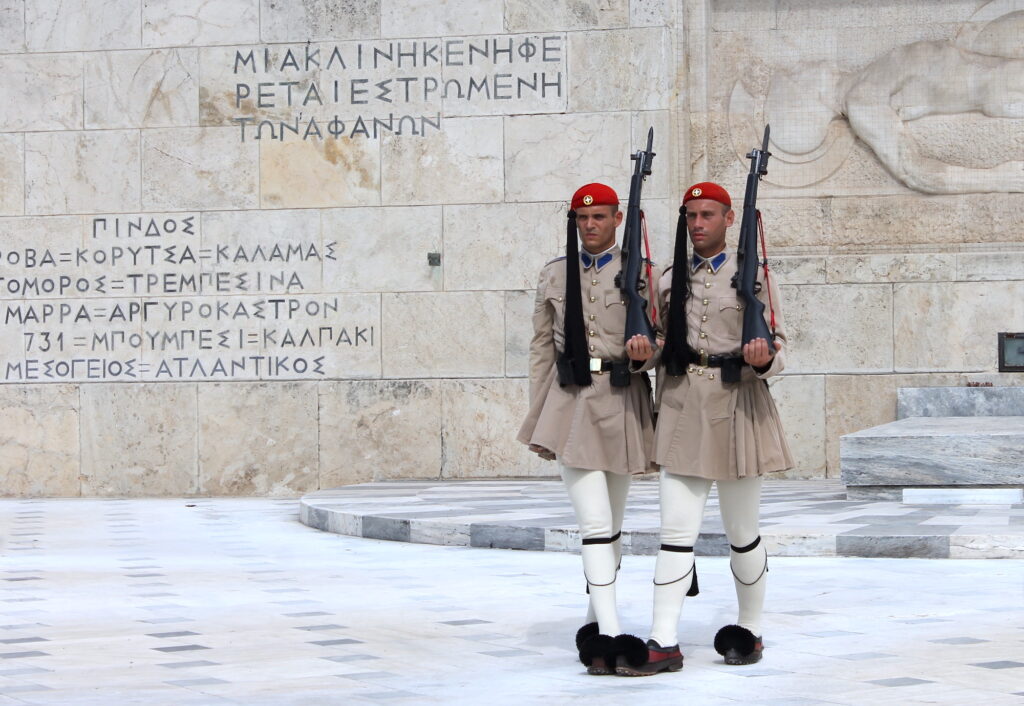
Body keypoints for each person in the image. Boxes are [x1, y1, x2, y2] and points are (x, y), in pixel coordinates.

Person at [618, 182, 793, 676]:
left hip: (738, 402)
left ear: (729, 218)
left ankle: (750, 629)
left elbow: (781, 344)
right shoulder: (672, 276)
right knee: (675, 533)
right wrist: (641, 356)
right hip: (682, 403)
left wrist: (766, 358)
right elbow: (655, 339)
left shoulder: (754, 276)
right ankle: (663, 640)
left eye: (708, 215)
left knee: (742, 532)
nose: (698, 224)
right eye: (691, 215)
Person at [517, 182, 659, 675]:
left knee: (612, 527)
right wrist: (540, 413)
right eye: (582, 219)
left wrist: (646, 357)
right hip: (572, 402)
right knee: (595, 524)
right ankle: (613, 635)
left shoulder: (643, 274)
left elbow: (661, 342)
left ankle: (593, 624)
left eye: (599, 217)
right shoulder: (555, 274)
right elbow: (540, 348)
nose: (590, 225)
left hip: (623, 399)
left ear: (618, 219)